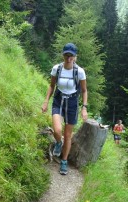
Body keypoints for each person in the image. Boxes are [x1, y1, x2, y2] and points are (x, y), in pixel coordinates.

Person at [41, 43, 88, 175]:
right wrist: (45, 101)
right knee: (57, 130)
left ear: (75, 57)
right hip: (58, 100)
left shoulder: (79, 71)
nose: (68, 58)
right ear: (63, 55)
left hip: (72, 103)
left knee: (68, 135)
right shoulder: (57, 68)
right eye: (66, 55)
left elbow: (84, 91)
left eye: (71, 56)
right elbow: (51, 86)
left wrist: (84, 108)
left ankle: (64, 161)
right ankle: (57, 142)